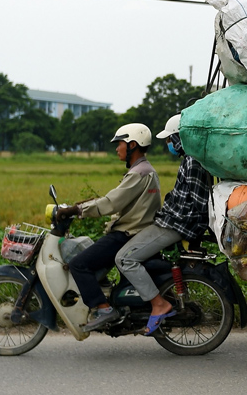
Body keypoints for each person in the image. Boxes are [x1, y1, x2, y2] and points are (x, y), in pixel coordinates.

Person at [114, 113, 214, 335]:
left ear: (181, 138)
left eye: (171, 139)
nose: (169, 144)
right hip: (171, 222)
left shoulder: (192, 162)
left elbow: (199, 204)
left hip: (176, 226)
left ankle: (159, 305)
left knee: (124, 258)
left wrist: (194, 236)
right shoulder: (189, 160)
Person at [58, 123, 161, 332]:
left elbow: (110, 203)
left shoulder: (138, 173)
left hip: (126, 234)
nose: (117, 149)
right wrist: (81, 206)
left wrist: (76, 211)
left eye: (120, 144)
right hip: (135, 231)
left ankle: (103, 309)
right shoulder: (145, 170)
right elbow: (116, 199)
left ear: (132, 144)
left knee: (79, 264)